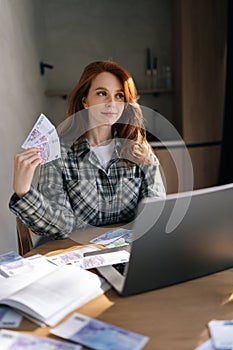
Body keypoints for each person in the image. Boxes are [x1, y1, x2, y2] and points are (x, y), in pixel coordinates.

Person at [9, 60, 165, 241]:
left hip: (128, 255)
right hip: (74, 256)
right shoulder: (59, 154)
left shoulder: (139, 150)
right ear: (85, 101)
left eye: (119, 95)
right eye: (102, 93)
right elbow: (61, 227)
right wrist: (23, 192)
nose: (111, 103)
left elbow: (155, 211)